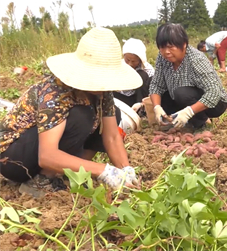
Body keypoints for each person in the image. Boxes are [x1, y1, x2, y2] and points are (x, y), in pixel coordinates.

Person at [0, 27, 143, 190]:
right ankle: (41, 181)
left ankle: (68, 172)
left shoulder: (103, 91)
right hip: (14, 157)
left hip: (44, 152)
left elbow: (111, 136)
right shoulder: (56, 91)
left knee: (113, 113)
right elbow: (47, 156)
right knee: (82, 116)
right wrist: (103, 170)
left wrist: (125, 171)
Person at [150, 24, 227, 130]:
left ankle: (203, 122)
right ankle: (178, 120)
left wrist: (189, 112)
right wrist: (156, 107)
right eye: (162, 47)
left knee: (181, 93)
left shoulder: (196, 59)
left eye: (170, 47)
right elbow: (156, 84)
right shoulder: (162, 58)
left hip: (215, 103)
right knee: (160, 93)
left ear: (184, 45)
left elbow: (214, 92)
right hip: (181, 98)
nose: (166, 52)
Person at [113, 38, 155, 112]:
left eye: (133, 61)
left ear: (139, 60)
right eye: (127, 60)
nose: (130, 64)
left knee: (141, 75)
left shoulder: (148, 70)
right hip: (121, 98)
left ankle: (141, 110)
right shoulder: (118, 65)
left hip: (137, 100)